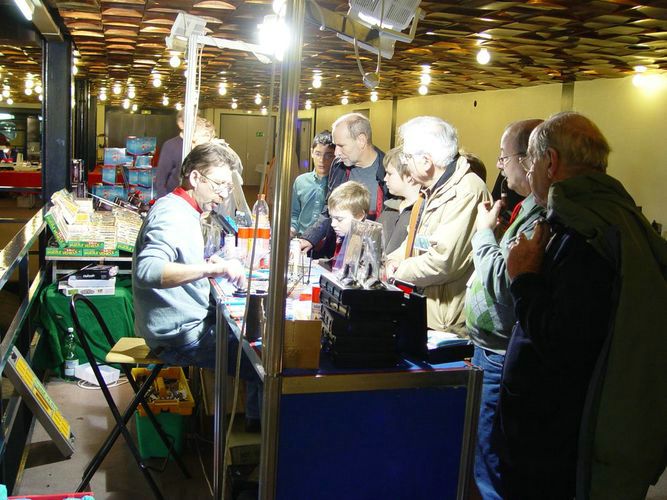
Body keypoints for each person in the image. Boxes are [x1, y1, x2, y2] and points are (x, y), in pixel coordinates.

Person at [495, 112, 667, 499]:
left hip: (555, 449)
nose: (528, 172)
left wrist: (524, 278)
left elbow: (565, 343)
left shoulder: (586, 233)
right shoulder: (615, 218)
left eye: (531, 162)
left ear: (550, 162)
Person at [133, 141, 262, 427]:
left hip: (179, 326)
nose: (223, 194)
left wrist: (211, 262)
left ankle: (254, 425)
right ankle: (259, 437)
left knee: (250, 342)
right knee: (263, 362)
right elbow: (149, 270)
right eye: (219, 185)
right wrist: (213, 268)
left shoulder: (183, 209)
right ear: (195, 178)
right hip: (177, 336)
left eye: (228, 187)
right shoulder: (172, 215)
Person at [463, 119, 544, 500]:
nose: (499, 166)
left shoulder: (540, 216)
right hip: (491, 349)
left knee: (488, 457)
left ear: (529, 160)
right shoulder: (526, 207)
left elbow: (502, 282)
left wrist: (483, 233)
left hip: (500, 353)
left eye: (504, 157)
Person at [386, 116, 490, 334]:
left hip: (447, 323)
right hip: (425, 311)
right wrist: (391, 260)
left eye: (407, 156)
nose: (405, 162)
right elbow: (415, 241)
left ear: (426, 161)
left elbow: (443, 261)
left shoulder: (466, 191)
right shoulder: (432, 189)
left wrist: (397, 271)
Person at [299, 113, 387, 255]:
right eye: (335, 146)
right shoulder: (338, 166)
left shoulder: (387, 170)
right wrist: (310, 238)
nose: (336, 152)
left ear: (361, 140)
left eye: (341, 145)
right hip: (338, 254)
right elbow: (329, 210)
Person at [290, 131, 335, 238]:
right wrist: (291, 231)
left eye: (328, 156)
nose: (322, 160)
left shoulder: (337, 184)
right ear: (312, 153)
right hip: (301, 237)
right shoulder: (301, 181)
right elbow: (294, 214)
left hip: (327, 241)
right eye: (318, 154)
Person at [377, 146, 421, 254]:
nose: (385, 178)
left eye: (390, 174)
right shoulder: (389, 207)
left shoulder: (423, 212)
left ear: (409, 176)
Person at [327, 181, 370, 259]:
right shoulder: (342, 237)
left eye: (339, 219)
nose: (333, 224)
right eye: (331, 217)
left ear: (359, 216)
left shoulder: (365, 248)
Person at [154, 110, 184, 199]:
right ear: (180, 123)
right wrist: (163, 199)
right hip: (174, 199)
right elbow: (161, 177)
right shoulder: (170, 145)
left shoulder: (201, 145)